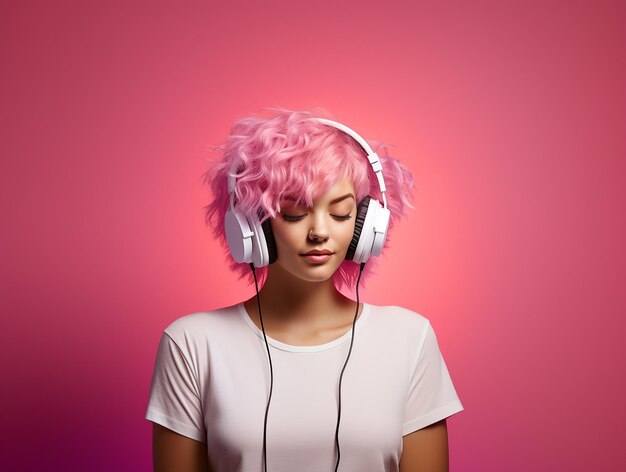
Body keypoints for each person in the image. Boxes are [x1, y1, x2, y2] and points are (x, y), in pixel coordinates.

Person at [145, 107, 464, 472]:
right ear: (252, 227)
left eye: (342, 214)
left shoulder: (410, 338)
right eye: (295, 214)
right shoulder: (191, 344)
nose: (320, 233)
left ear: (366, 226)